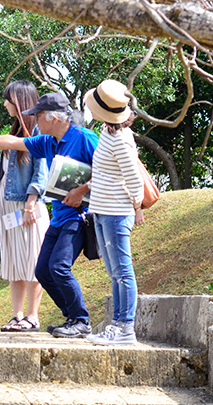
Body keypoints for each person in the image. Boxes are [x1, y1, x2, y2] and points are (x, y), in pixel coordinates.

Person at [0, 91, 99, 338]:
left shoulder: (85, 138)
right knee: (43, 270)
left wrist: (81, 190)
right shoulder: (48, 142)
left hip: (80, 217)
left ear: (54, 117)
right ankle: (72, 318)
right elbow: (12, 143)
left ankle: (81, 320)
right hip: (59, 217)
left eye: (38, 116)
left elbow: (108, 170)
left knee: (59, 267)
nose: (35, 120)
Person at [81, 79, 145, 345]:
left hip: (116, 212)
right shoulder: (107, 132)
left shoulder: (120, 140)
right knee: (114, 272)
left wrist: (137, 207)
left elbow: (135, 180)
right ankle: (116, 325)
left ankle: (125, 328)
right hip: (101, 210)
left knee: (122, 272)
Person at [0, 80, 50, 332]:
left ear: (20, 101)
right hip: (8, 207)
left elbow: (41, 171)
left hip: (28, 207)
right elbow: (3, 173)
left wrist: (31, 203)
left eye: (8, 99)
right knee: (14, 263)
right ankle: (17, 315)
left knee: (33, 262)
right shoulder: (13, 133)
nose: (5, 104)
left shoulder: (38, 133)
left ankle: (32, 317)